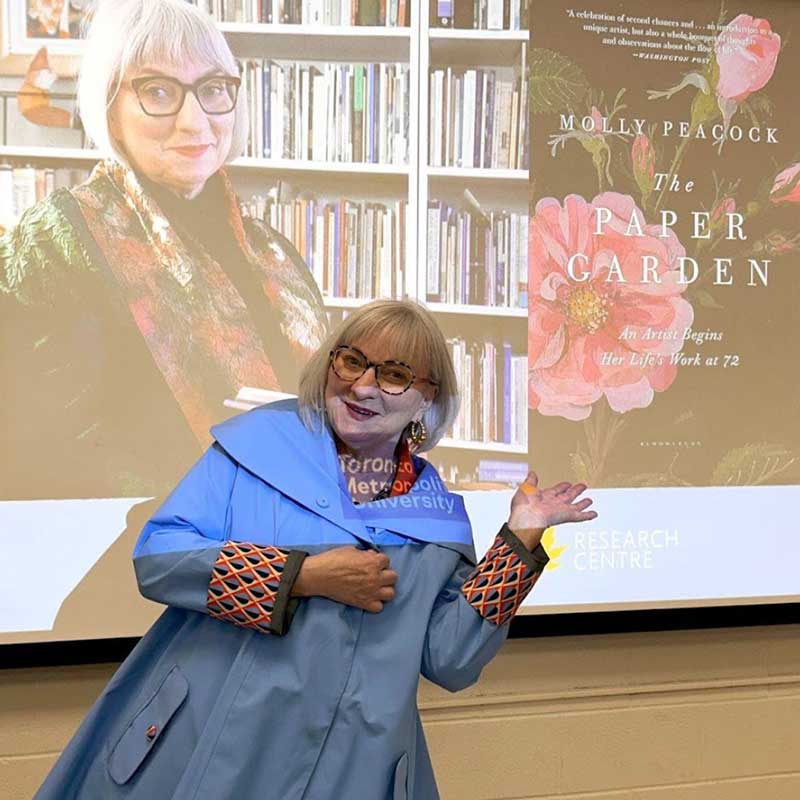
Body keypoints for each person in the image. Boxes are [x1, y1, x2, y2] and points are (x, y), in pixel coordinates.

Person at [35, 299, 597, 800]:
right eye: (352, 361)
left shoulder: (436, 516)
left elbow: (449, 660)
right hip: (210, 744)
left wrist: (520, 538)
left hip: (350, 765)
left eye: (395, 374)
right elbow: (159, 557)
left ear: (428, 399)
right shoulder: (253, 449)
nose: (363, 387)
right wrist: (300, 576)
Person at [0, 0, 328, 501]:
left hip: (303, 540)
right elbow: (46, 453)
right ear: (111, 109)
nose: (195, 121)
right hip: (152, 560)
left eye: (214, 89)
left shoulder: (274, 252)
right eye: (158, 91)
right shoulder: (57, 240)